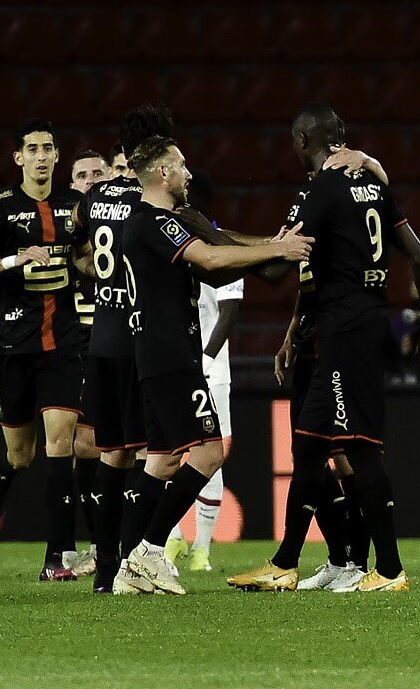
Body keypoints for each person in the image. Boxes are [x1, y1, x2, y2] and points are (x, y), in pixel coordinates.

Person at [227, 102, 420, 593]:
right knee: (308, 448)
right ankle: (284, 564)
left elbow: (280, 267)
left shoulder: (320, 188)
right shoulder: (373, 186)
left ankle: (387, 571)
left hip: (345, 334)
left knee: (361, 450)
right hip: (354, 325)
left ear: (302, 141)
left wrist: (212, 238)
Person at [112, 135, 313, 596]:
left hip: (156, 354)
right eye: (181, 166)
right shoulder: (152, 222)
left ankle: (128, 566)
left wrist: (270, 244)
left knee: (161, 462)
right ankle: (147, 553)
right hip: (171, 355)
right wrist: (276, 251)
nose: (187, 173)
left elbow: (218, 259)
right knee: (207, 453)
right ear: (162, 173)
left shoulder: (150, 223)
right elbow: (211, 256)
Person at [0, 118, 93, 581]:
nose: (40, 156)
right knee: (22, 454)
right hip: (13, 345)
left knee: (62, 440)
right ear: (18, 158)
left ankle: (58, 556)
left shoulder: (76, 207)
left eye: (48, 148)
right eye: (31, 149)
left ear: (58, 156)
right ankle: (2, 483)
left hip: (64, 343)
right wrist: (16, 258)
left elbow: (88, 259)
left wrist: (93, 264)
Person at [76, 106, 175, 593]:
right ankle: (139, 567)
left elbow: (80, 247)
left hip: (102, 337)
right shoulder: (151, 200)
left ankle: (104, 572)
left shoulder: (95, 196)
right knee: (155, 456)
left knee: (111, 457)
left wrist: (100, 275)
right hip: (141, 340)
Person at [164, 170, 243, 574]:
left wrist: (206, 358)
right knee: (172, 452)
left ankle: (203, 548)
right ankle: (174, 538)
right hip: (177, 365)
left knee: (210, 454)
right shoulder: (175, 243)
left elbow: (229, 309)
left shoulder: (221, 244)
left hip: (210, 369)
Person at [67, 149, 111, 577]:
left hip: (127, 344)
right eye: (82, 175)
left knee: (133, 449)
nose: (91, 178)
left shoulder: (125, 220)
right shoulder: (68, 231)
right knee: (84, 446)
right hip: (82, 349)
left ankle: (138, 544)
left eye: (99, 172)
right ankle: (102, 545)